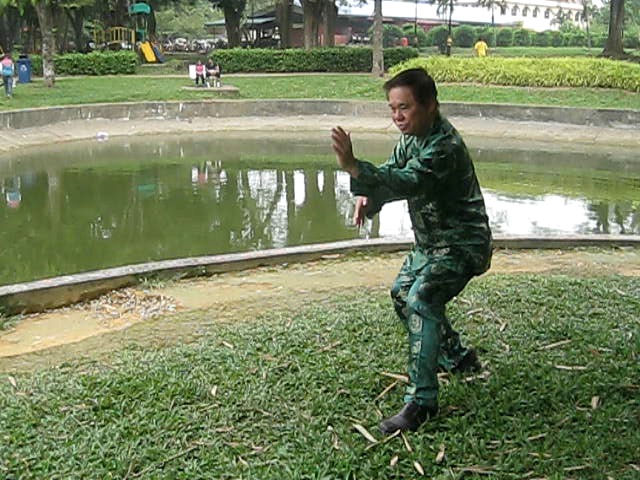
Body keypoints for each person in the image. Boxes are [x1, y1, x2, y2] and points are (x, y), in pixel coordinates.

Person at [331, 68, 492, 434]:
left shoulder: (444, 147)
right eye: (392, 109)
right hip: (430, 245)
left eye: (404, 108)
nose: (397, 117)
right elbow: (391, 173)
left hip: (462, 244)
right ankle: (457, 357)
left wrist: (356, 167)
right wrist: (367, 198)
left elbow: (410, 181)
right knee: (402, 293)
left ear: (431, 105)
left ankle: (421, 402)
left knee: (422, 298)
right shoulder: (411, 140)